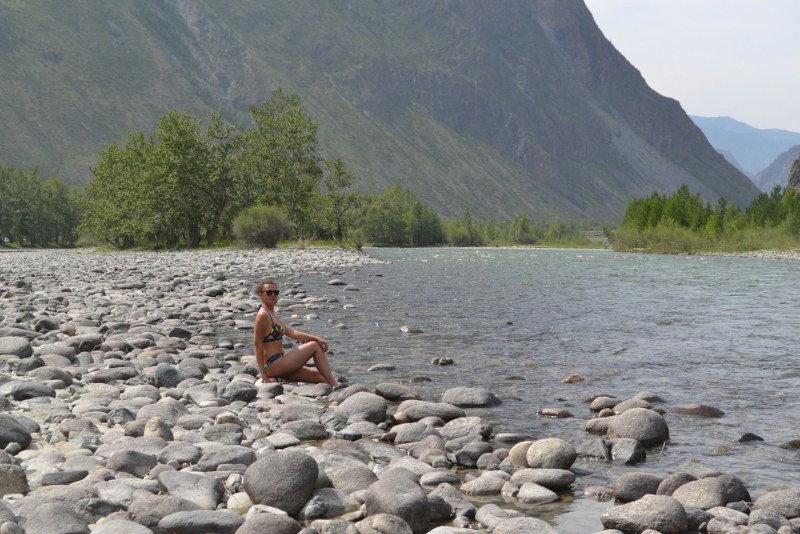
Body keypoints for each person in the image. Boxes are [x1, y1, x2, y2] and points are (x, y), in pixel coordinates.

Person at [253, 279, 341, 387]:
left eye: (275, 292)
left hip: (281, 363)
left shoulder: (271, 313)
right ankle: (335, 386)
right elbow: (257, 345)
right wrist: (264, 376)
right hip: (273, 365)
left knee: (319, 376)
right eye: (269, 292)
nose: (273, 295)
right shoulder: (263, 315)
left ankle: (341, 388)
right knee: (314, 346)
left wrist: (316, 338)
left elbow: (293, 333)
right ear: (260, 294)